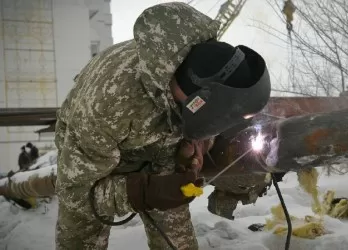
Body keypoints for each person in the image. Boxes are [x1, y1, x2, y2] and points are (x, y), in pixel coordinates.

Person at [54, 2, 271, 250]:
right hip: (95, 151)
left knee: (177, 239)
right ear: (202, 102)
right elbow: (75, 193)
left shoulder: (195, 76)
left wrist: (196, 145)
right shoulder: (108, 105)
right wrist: (143, 191)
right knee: (81, 236)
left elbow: (201, 120)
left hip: (152, 132)